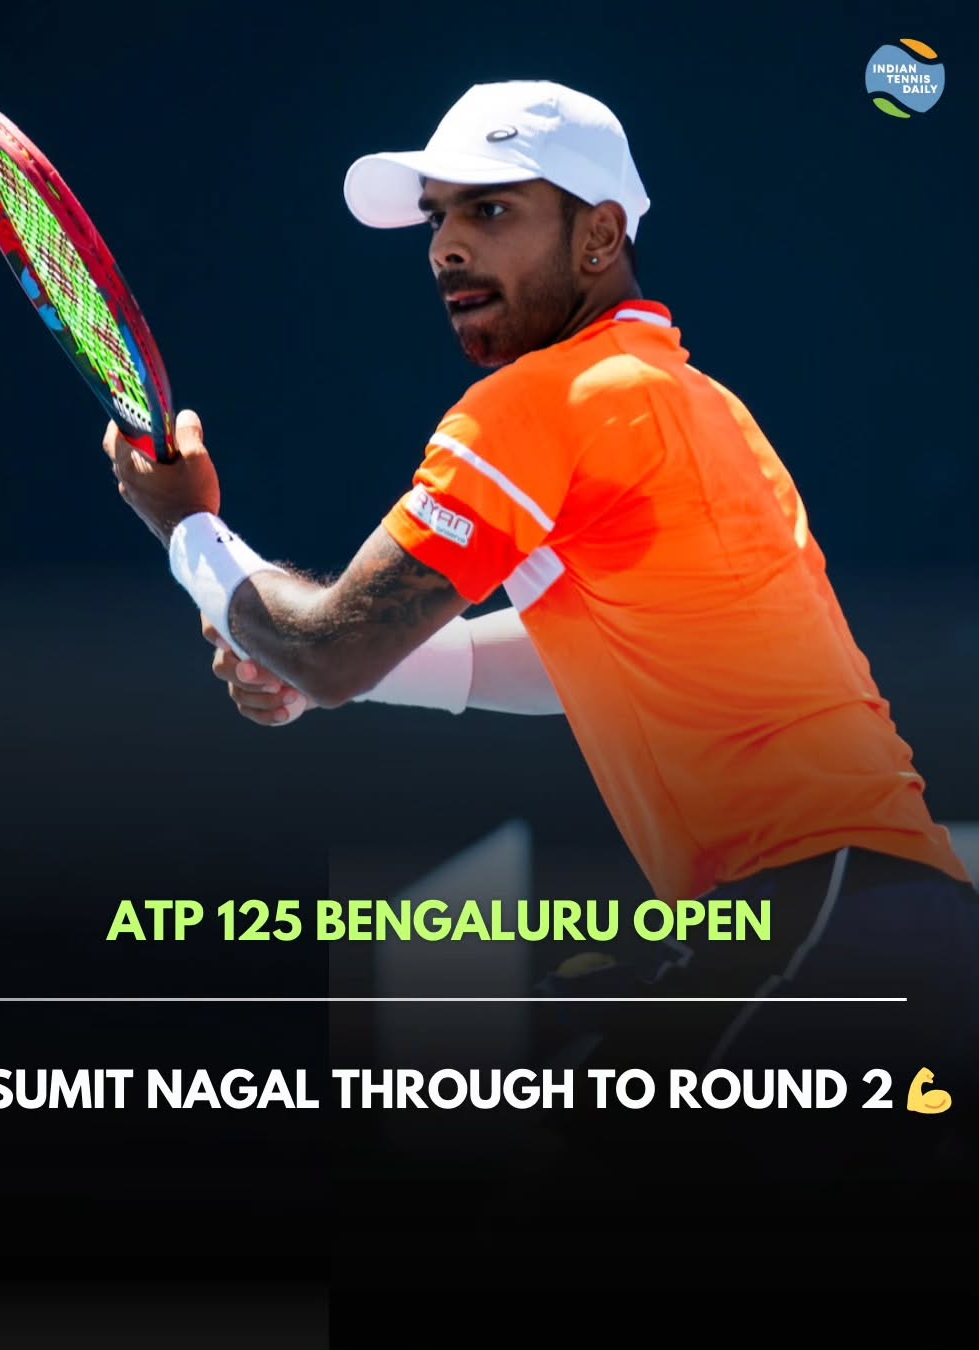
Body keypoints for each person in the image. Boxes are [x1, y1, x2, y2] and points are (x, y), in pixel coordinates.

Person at [103, 80, 977, 1177]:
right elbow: (589, 659)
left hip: (817, 922)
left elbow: (329, 647)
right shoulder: (695, 404)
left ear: (600, 235)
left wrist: (189, 530)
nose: (446, 247)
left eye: (492, 210)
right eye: (438, 217)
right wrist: (341, 667)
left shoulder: (544, 403)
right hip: (908, 923)